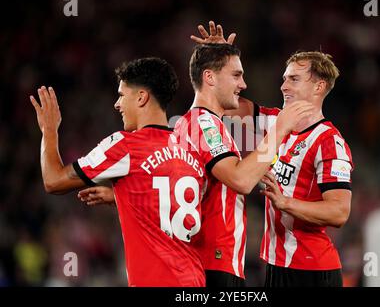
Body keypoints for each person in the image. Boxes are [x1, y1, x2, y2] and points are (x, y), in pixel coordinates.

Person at [193, 22, 354, 287]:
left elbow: (339, 212)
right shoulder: (273, 123)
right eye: (283, 79)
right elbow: (215, 102)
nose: (283, 86)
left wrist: (286, 203)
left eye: (293, 79)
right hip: (276, 265)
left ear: (318, 87)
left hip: (312, 270)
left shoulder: (329, 142)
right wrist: (215, 62)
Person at [30, 57, 207, 287]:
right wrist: (122, 198)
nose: (117, 103)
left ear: (142, 97)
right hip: (195, 283)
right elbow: (172, 204)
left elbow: (53, 181)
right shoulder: (191, 149)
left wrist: (49, 131)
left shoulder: (125, 146)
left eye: (122, 95)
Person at [172, 42, 314, 287]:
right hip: (213, 261)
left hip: (207, 261)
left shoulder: (193, 123)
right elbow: (242, 180)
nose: (243, 84)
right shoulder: (203, 124)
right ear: (210, 77)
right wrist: (280, 129)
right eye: (236, 75)